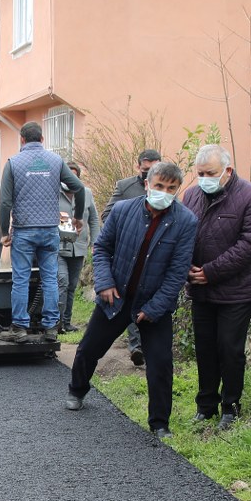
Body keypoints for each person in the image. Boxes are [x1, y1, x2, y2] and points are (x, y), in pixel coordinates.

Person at [64, 161, 197, 435]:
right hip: (116, 296)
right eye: (159, 186)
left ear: (177, 190)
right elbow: (102, 248)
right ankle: (77, 389)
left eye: (171, 188)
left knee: (160, 363)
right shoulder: (124, 210)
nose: (164, 192)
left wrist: (155, 308)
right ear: (147, 183)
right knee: (89, 349)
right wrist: (104, 283)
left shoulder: (186, 222)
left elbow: (177, 272)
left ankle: (159, 424)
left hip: (154, 303)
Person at [180, 144, 251, 431]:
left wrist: (210, 272)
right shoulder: (191, 195)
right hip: (200, 289)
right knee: (205, 348)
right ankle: (205, 405)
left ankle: (230, 406)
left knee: (230, 349)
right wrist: (187, 270)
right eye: (200, 173)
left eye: (211, 173)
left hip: (236, 290)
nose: (205, 178)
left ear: (228, 171)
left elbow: (250, 245)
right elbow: (180, 236)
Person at [0, 121, 84, 343]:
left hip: (24, 231)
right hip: (49, 231)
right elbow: (79, 187)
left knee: (21, 279)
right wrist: (78, 217)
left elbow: (5, 202)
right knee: (50, 279)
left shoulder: (13, 163)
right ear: (42, 140)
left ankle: (19, 327)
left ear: (22, 140)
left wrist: (4, 232)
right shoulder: (56, 161)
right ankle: (51, 328)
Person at [108, 147, 164, 366]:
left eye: (154, 169)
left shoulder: (166, 189)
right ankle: (136, 346)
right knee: (132, 300)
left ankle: (150, 345)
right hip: (130, 255)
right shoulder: (125, 187)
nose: (149, 173)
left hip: (157, 256)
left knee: (150, 301)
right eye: (145, 170)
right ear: (138, 167)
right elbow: (108, 214)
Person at [56, 162, 98, 333]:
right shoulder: (53, 193)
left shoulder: (86, 193)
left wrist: (95, 243)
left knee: (72, 285)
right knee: (62, 282)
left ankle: (66, 322)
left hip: (78, 247)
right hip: (57, 246)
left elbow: (94, 220)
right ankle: (55, 323)